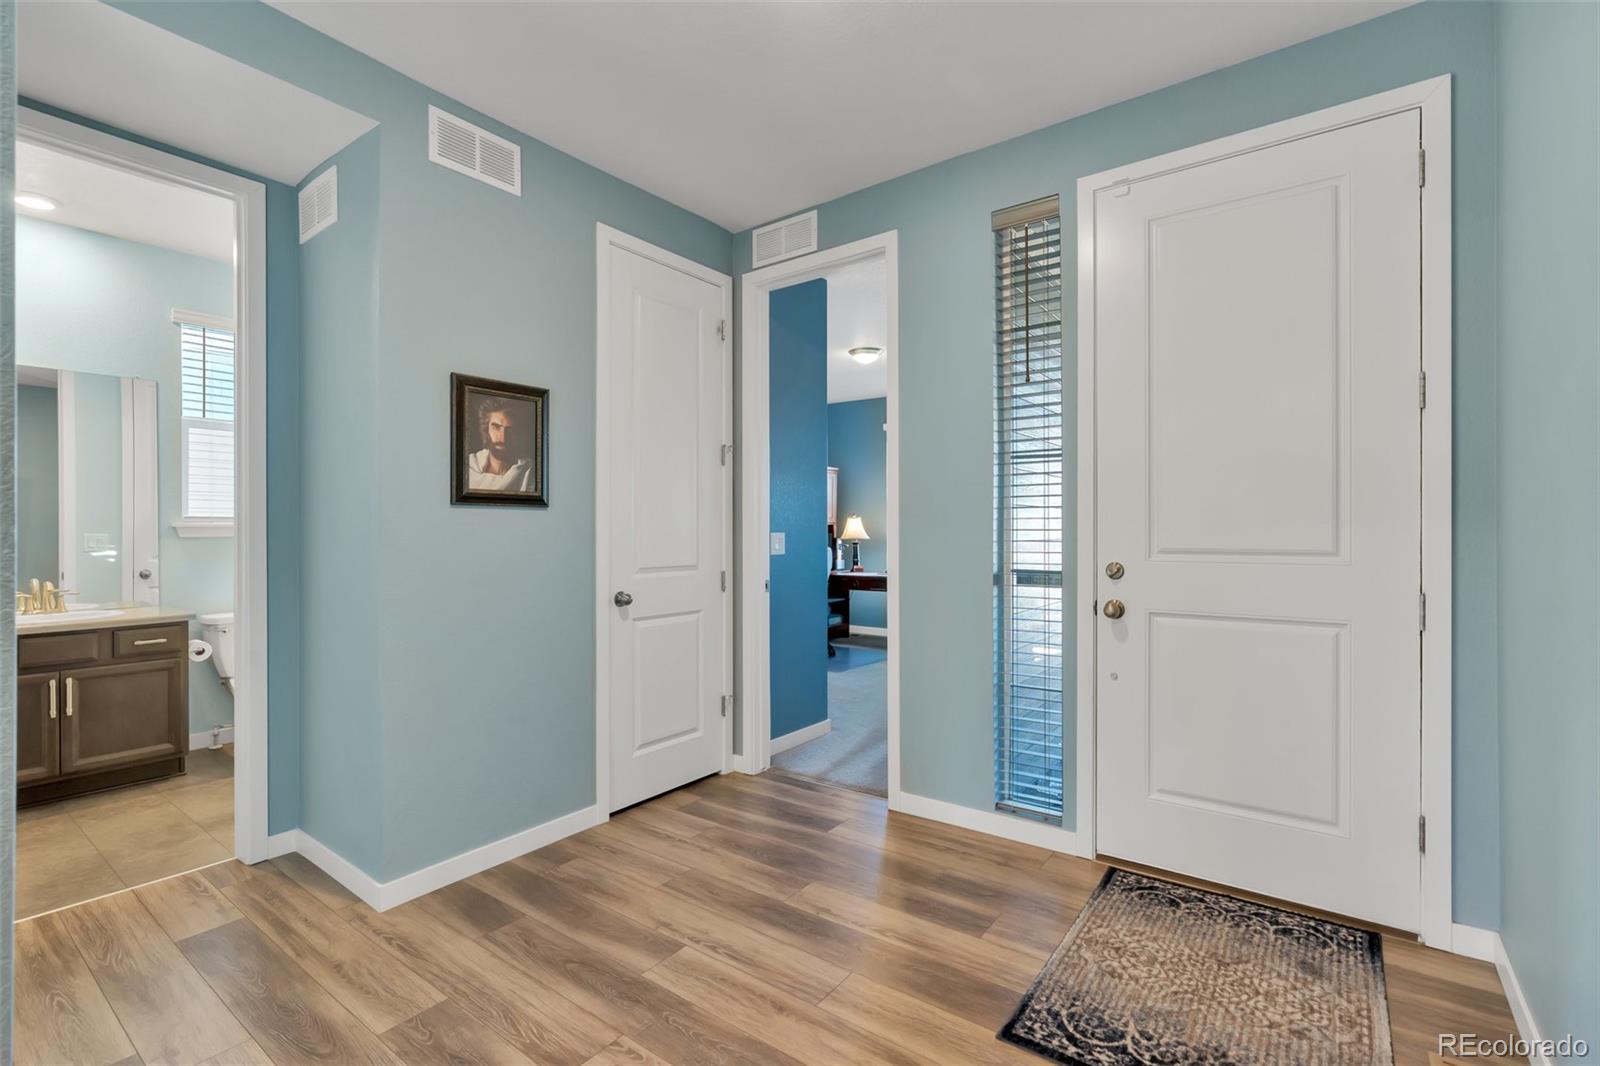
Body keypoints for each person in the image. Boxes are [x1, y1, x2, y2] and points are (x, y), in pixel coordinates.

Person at [466, 396, 534, 492]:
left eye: (509, 430)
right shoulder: (470, 466)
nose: (503, 438)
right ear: (486, 429)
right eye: (496, 427)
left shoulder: (528, 472)